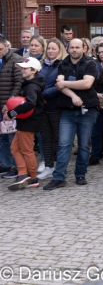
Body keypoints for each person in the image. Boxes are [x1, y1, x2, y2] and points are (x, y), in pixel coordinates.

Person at [43, 39, 100, 190]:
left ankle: (80, 174)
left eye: (77, 47)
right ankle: (58, 177)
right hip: (67, 110)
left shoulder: (90, 64)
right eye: (71, 47)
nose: (74, 50)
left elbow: (87, 84)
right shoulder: (63, 64)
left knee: (83, 146)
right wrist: (74, 96)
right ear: (67, 49)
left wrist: (65, 84)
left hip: (87, 110)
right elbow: (58, 85)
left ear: (83, 48)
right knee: (64, 144)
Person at [5, 58, 44, 190]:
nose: (22, 70)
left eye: (25, 68)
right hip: (24, 122)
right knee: (15, 148)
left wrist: (12, 113)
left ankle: (32, 177)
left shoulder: (32, 86)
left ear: (33, 70)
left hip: (29, 122)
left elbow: (30, 103)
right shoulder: (29, 84)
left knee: (26, 150)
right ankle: (23, 173)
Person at [36, 39, 67, 180]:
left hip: (55, 106)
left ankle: (60, 167)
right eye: (49, 48)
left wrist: (42, 95)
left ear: (59, 50)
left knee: (58, 138)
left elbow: (59, 86)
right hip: (42, 107)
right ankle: (49, 166)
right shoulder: (42, 66)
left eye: (54, 49)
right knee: (46, 138)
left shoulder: (63, 65)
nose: (50, 51)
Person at [0, 36, 23, 179]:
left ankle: (16, 166)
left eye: (0, 49)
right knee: (2, 138)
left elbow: (18, 84)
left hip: (9, 107)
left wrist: (8, 104)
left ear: (7, 47)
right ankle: (5, 164)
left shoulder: (16, 60)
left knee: (11, 138)